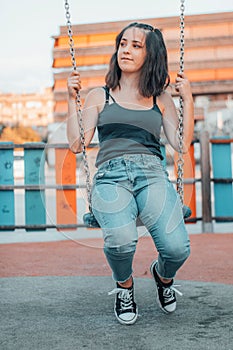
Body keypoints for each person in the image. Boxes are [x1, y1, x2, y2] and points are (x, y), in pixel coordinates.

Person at [66, 22, 194, 326]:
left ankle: (162, 276)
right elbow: (76, 145)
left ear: (151, 54)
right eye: (123, 43)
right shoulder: (100, 95)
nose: (126, 49)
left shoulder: (160, 99)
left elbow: (181, 144)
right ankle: (125, 286)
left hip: (151, 175)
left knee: (177, 248)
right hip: (111, 178)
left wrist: (187, 99)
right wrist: (72, 99)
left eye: (136, 45)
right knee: (121, 240)